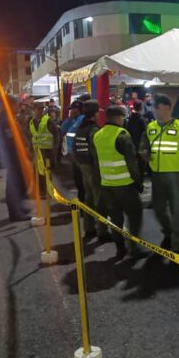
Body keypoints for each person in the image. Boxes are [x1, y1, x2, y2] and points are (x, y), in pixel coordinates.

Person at [139, 94, 179, 255]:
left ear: (166, 107)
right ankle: (168, 233)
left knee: (176, 212)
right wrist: (144, 153)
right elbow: (143, 146)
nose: (154, 110)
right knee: (158, 210)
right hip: (157, 176)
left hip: (177, 176)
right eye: (153, 107)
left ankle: (177, 246)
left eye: (156, 107)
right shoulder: (150, 127)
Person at [94, 105, 146, 260]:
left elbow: (97, 161)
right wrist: (138, 182)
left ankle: (120, 248)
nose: (124, 120)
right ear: (117, 117)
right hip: (125, 185)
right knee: (135, 214)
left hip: (107, 185)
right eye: (123, 117)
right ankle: (134, 247)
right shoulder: (122, 135)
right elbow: (132, 163)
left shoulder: (98, 135)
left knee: (116, 218)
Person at [73, 100, 111, 242]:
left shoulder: (80, 129)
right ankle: (103, 232)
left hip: (83, 166)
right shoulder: (94, 130)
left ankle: (89, 228)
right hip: (93, 167)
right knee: (99, 199)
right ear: (96, 113)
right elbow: (97, 153)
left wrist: (81, 164)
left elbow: (75, 150)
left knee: (88, 198)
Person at [0, 96, 30, 221]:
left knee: (19, 182)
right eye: (17, 105)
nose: (19, 107)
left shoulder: (8, 118)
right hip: (13, 156)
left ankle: (19, 208)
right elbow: (12, 141)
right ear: (10, 105)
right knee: (14, 184)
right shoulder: (6, 120)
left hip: (14, 156)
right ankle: (15, 213)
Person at [61, 100, 86, 203]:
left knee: (82, 182)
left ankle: (85, 207)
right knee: (78, 181)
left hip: (81, 155)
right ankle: (82, 205)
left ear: (78, 110)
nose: (71, 111)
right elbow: (63, 130)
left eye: (72, 109)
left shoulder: (82, 120)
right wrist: (70, 119)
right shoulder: (73, 120)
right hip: (74, 155)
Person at [28, 103, 54, 196]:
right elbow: (31, 136)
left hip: (47, 151)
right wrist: (30, 150)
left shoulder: (47, 120)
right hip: (37, 151)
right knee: (37, 171)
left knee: (46, 171)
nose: (40, 111)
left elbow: (55, 135)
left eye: (42, 109)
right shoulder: (31, 122)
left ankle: (48, 191)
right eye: (38, 109)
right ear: (34, 110)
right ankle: (40, 191)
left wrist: (55, 150)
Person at [126, 100, 147, 184]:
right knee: (141, 166)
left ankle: (135, 183)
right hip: (141, 145)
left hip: (132, 145)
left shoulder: (130, 119)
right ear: (141, 107)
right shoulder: (141, 119)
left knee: (134, 166)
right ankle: (140, 184)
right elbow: (145, 132)